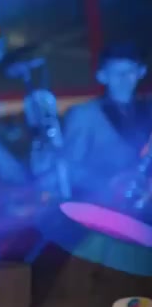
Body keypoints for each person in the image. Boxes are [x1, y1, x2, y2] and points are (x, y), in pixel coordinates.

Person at [61, 42, 151, 201]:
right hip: (103, 205)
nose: (124, 78)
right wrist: (110, 183)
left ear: (141, 72)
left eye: (130, 71)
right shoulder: (84, 114)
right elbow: (70, 167)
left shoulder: (148, 109)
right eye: (116, 73)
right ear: (102, 76)